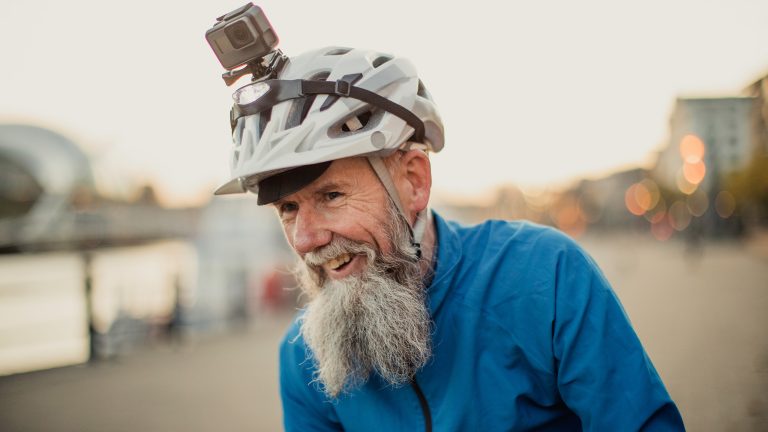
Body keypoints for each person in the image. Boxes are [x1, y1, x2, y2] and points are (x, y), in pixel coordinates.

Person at [213, 47, 685, 431]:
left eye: (331, 195)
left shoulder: (545, 276)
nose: (304, 238)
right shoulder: (303, 356)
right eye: (288, 209)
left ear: (414, 181)